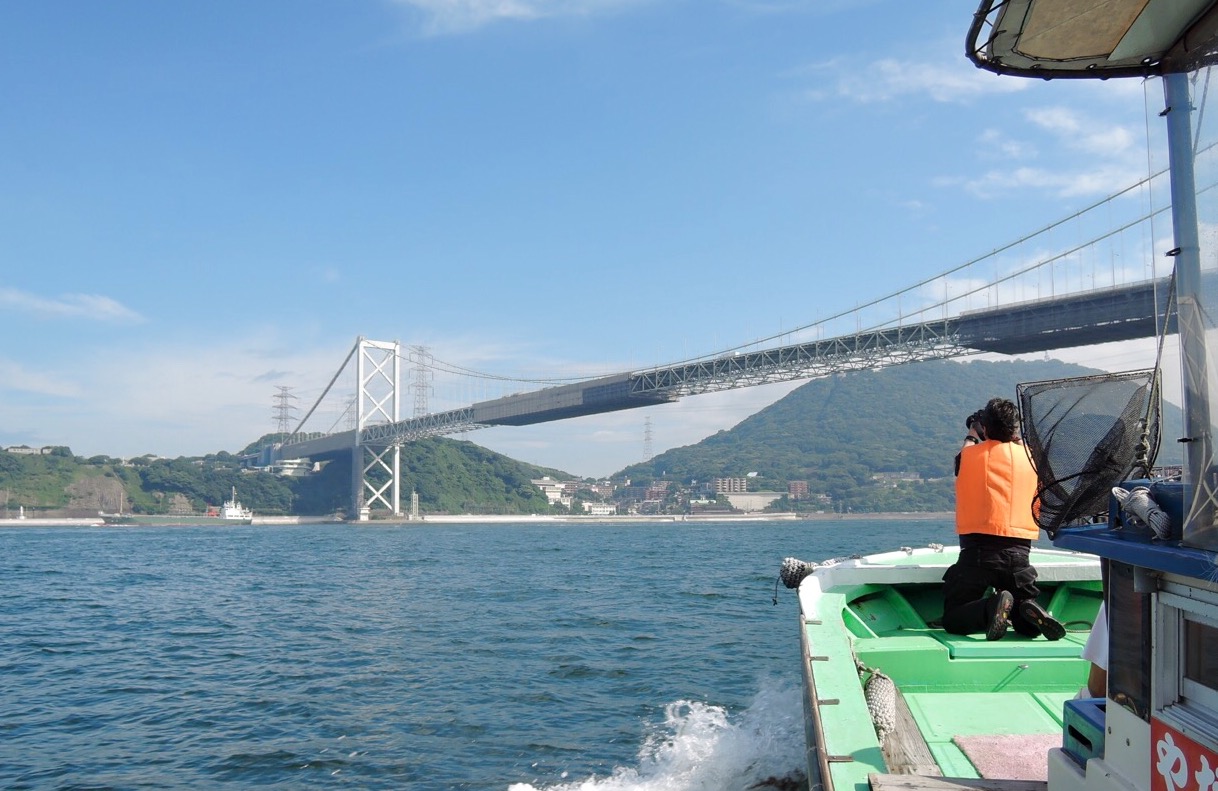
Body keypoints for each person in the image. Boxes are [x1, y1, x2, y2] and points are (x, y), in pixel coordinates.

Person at [941, 397, 1067, 641]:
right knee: (1027, 629)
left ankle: (992, 607)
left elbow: (967, 448)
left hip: (977, 554)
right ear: (1015, 430)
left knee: (953, 617)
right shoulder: (1032, 459)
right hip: (1019, 556)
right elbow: (1020, 449)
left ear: (986, 428)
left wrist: (973, 431)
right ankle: (1026, 610)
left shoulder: (968, 456)